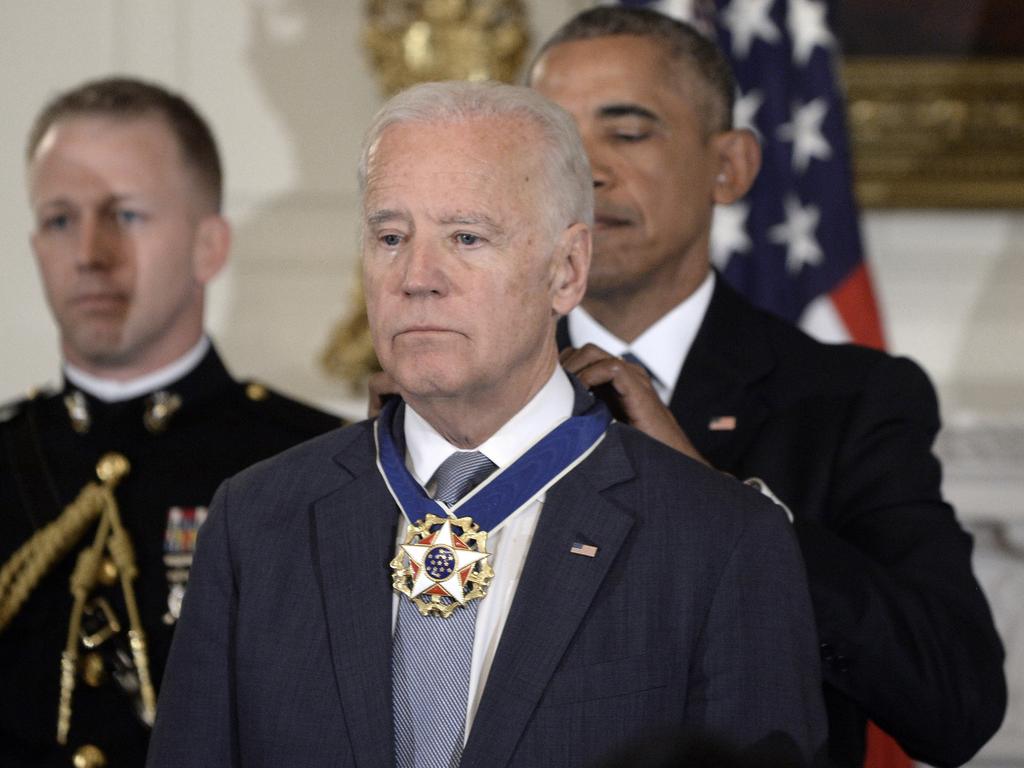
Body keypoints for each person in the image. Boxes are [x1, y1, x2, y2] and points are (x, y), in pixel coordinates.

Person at [148, 80, 827, 768]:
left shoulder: (719, 539)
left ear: (566, 270)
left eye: (466, 237)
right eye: (391, 236)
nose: (417, 276)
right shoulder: (257, 520)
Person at [525, 7, 1006, 767]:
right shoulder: (473, 385)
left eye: (628, 131)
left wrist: (723, 504)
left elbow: (956, 703)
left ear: (731, 166)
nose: (585, 169)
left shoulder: (851, 401)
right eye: (555, 140)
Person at [0, 77, 342, 768]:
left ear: (209, 246)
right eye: (61, 219)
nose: (90, 254)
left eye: (125, 215)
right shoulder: (11, 454)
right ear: (36, 246)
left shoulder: (315, 466)